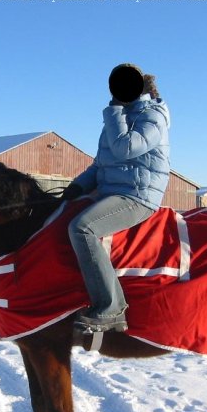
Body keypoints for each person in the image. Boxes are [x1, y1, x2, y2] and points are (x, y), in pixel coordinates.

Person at [62, 63, 171, 333]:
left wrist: (114, 111)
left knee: (82, 227)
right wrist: (76, 187)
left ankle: (111, 309)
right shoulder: (117, 117)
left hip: (138, 195)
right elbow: (100, 165)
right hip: (111, 192)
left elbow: (125, 149)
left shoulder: (154, 117)